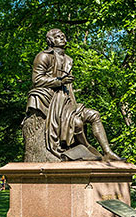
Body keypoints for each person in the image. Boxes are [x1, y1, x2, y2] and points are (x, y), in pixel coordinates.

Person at [24, 29, 122, 162]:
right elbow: (37, 80)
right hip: (53, 102)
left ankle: (108, 152)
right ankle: (86, 149)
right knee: (77, 123)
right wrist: (59, 81)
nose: (62, 38)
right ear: (51, 41)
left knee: (94, 115)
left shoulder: (68, 60)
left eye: (63, 36)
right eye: (58, 37)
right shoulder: (43, 56)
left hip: (67, 101)